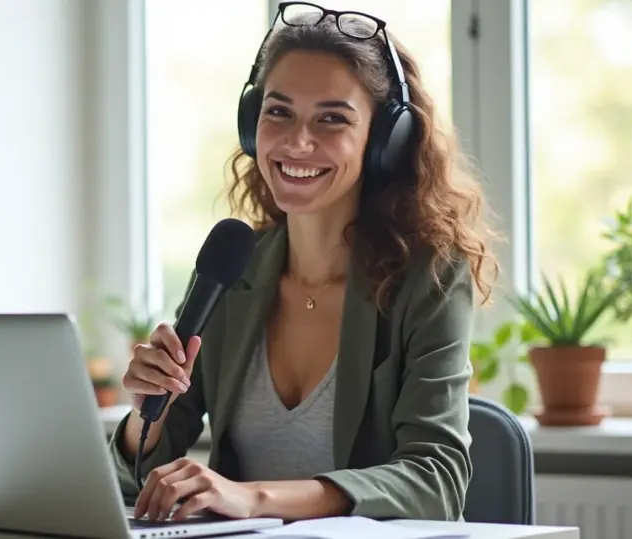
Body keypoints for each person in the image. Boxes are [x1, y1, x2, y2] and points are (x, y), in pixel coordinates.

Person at [107, 2, 498, 524]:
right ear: (252, 124)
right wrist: (144, 410)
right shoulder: (232, 268)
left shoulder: (426, 277)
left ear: (385, 140)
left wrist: (256, 498)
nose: (298, 142)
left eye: (332, 118)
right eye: (279, 111)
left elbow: (437, 478)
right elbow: (136, 474)